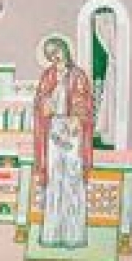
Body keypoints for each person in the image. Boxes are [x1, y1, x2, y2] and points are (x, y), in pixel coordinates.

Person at [33, 36, 95, 248]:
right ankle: (52, 234)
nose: (55, 56)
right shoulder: (47, 76)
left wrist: (77, 118)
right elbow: (40, 101)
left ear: (66, 50)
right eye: (50, 53)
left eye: (57, 50)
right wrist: (45, 104)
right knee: (55, 178)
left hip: (73, 130)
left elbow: (84, 101)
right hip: (53, 129)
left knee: (72, 178)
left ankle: (73, 235)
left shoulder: (78, 75)